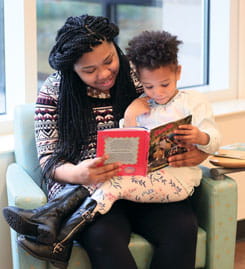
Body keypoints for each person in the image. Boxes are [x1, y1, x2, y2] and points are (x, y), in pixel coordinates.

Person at [3, 15, 212, 269]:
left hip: (148, 184)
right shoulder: (53, 92)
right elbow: (49, 161)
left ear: (115, 47)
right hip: (91, 192)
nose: (103, 74)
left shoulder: (139, 75)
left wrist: (196, 152)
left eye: (109, 61)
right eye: (89, 71)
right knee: (104, 237)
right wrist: (79, 173)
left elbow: (175, 113)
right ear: (72, 69)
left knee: (182, 229)